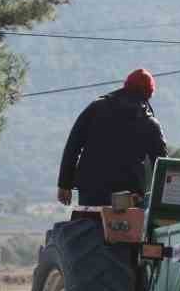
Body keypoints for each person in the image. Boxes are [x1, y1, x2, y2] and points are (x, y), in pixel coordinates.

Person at [57, 68, 167, 207]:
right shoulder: (149, 123)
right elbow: (162, 165)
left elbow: (73, 146)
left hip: (91, 189)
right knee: (121, 229)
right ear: (149, 94)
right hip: (129, 195)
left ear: (126, 85)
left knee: (90, 227)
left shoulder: (96, 108)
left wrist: (64, 184)